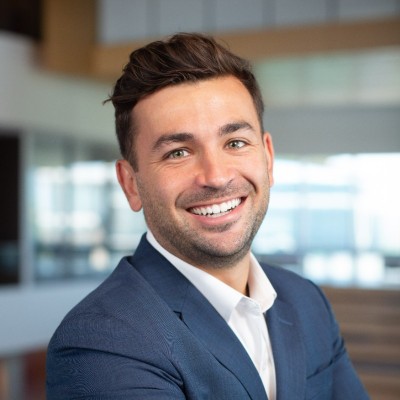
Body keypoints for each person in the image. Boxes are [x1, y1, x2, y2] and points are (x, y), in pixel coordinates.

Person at [46, 33, 369, 400]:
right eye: (178, 152)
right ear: (131, 184)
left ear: (268, 158)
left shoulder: (306, 301)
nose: (216, 177)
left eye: (235, 143)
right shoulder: (100, 341)